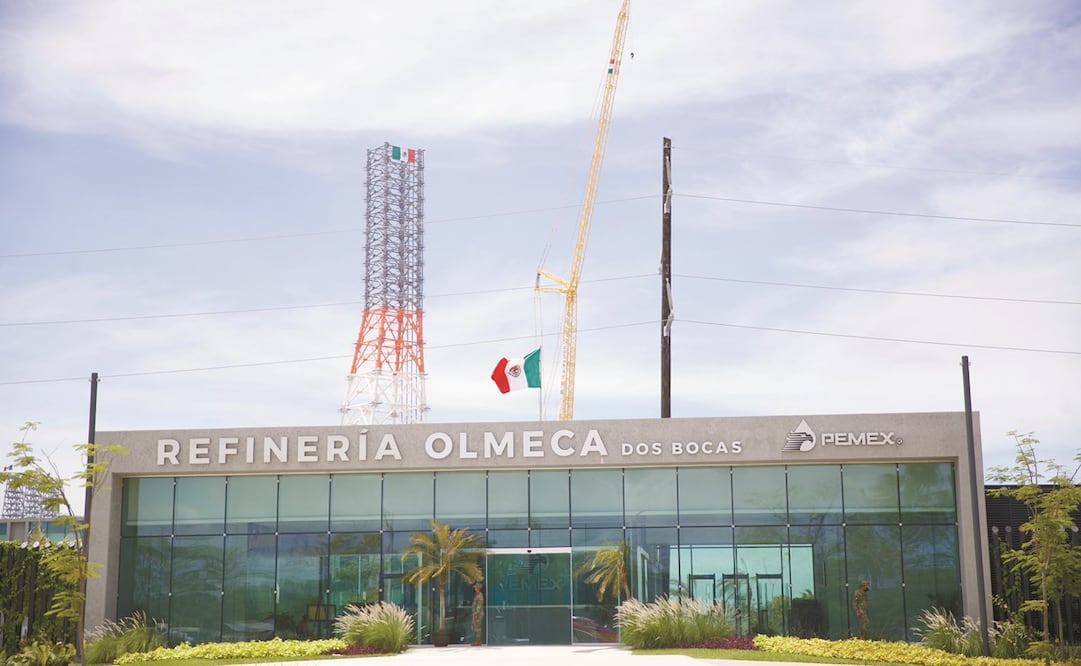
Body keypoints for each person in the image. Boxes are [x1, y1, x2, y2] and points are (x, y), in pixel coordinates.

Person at [471, 580, 485, 646]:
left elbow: (479, 606)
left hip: (478, 614)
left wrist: (476, 613)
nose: (475, 589)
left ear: (478, 588)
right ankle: (476, 640)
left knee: (478, 628)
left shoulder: (480, 596)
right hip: (476, 613)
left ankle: (478, 641)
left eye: (476, 588)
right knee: (475, 627)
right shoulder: (477, 595)